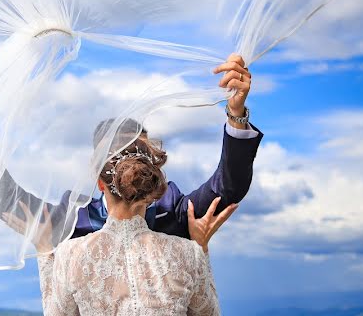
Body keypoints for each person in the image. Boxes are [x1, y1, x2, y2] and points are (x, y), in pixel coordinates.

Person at [0, 54, 262, 245]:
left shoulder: (175, 211)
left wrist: (236, 111)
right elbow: (9, 202)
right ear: (100, 176)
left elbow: (228, 186)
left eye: (141, 155)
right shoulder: (74, 221)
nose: (133, 165)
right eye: (122, 154)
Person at [33, 135, 235, 315]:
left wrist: (44, 252)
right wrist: (201, 249)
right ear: (150, 188)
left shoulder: (70, 255)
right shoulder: (187, 253)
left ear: (101, 184)